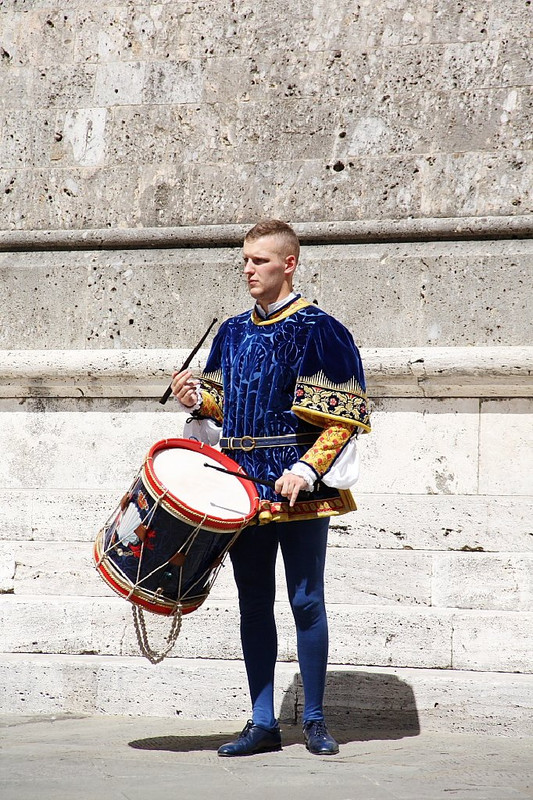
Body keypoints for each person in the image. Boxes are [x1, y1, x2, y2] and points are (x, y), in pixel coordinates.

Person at [171, 220, 370, 756]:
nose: (247, 269)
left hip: (299, 487)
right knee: (253, 602)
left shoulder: (321, 329)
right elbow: (222, 406)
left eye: (258, 260)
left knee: (306, 600)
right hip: (240, 486)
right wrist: (194, 398)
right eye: (244, 259)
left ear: (289, 263)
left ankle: (315, 719)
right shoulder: (232, 331)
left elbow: (345, 417)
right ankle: (262, 722)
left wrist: (305, 471)